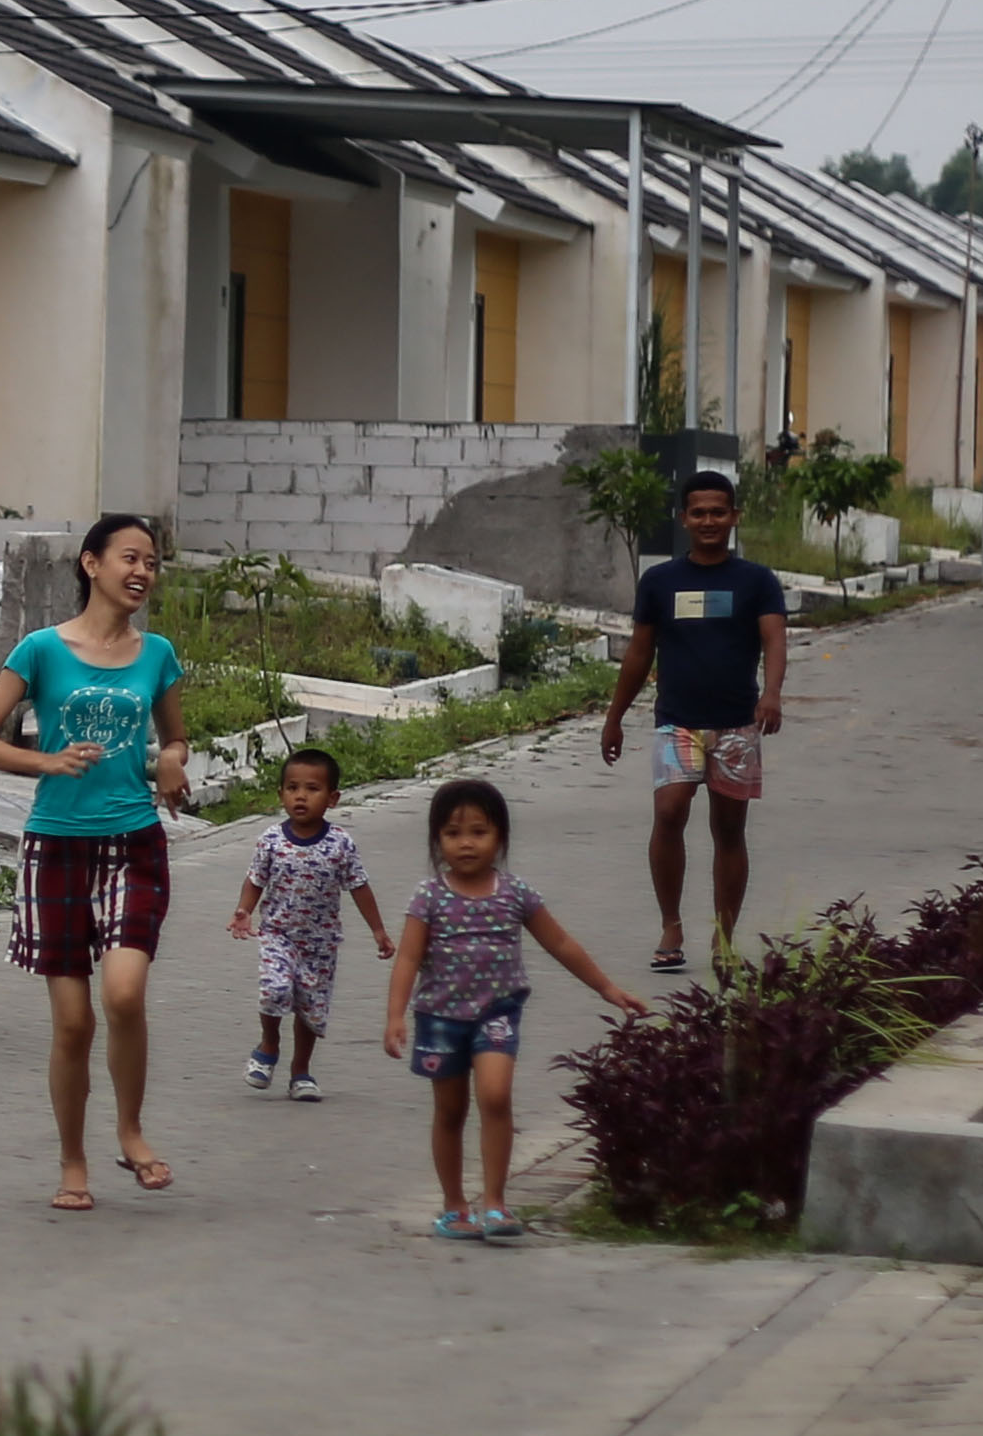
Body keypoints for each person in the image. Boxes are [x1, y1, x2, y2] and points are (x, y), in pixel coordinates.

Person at [0, 512, 189, 1213]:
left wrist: (173, 765)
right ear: (91, 564)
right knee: (72, 1024)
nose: (142, 571)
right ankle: (72, 1161)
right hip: (55, 846)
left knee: (122, 993)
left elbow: (176, 739)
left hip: (133, 842)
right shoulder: (40, 650)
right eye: (129, 556)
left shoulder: (159, 655)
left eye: (151, 561)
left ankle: (130, 1129)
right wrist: (45, 760)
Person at [382, 774, 632, 1242]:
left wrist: (607, 989)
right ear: (437, 840)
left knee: (495, 1096)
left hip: (497, 1013)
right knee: (450, 1112)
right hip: (438, 1018)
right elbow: (410, 958)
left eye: (479, 832)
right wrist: (395, 1016)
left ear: (500, 837)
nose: (466, 844)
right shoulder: (429, 897)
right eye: (453, 834)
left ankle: (495, 1203)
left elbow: (559, 942)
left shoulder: (516, 893)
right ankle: (455, 1205)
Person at [596, 466, 794, 974]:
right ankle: (671, 924)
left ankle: (724, 937)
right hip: (677, 723)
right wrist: (614, 717)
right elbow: (640, 655)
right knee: (669, 811)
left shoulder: (756, 581)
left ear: (734, 517)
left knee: (729, 830)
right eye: (699, 512)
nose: (709, 520)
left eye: (718, 512)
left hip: (736, 724)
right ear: (683, 518)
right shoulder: (661, 582)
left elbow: (774, 639)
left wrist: (771, 694)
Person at [228, 745, 392, 1098]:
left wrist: (378, 931)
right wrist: (243, 910)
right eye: (292, 788)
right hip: (278, 935)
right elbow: (255, 879)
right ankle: (268, 1045)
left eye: (312, 789)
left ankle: (301, 1071)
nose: (300, 797)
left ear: (332, 798)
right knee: (274, 990)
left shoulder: (341, 844)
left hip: (320, 943)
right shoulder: (271, 840)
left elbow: (359, 886)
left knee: (311, 1009)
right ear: (281, 793)